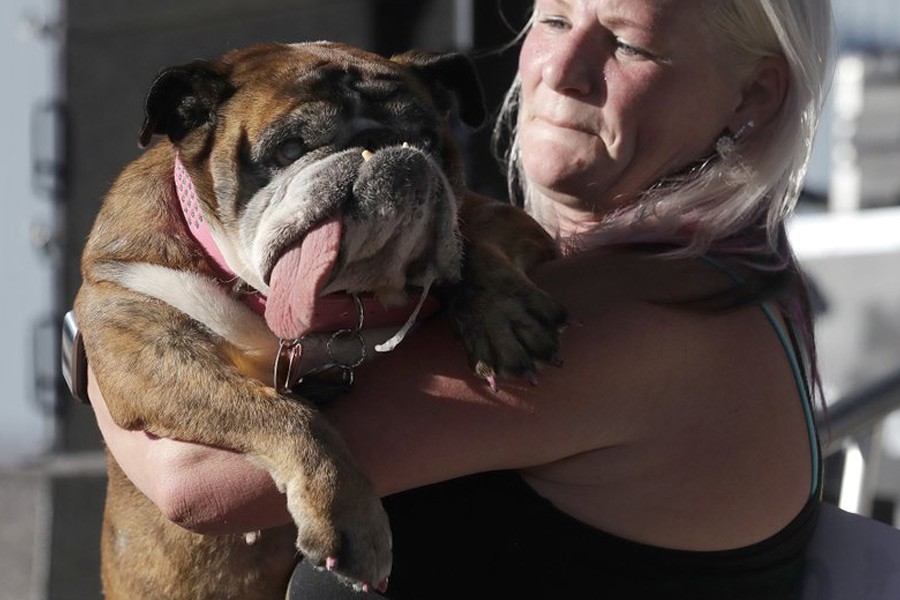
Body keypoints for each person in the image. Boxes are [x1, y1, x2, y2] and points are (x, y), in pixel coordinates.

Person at [85, 0, 834, 597]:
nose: (563, 69)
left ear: (755, 94)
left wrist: (99, 332)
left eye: (631, 45)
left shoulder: (628, 324)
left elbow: (199, 485)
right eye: (553, 20)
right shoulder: (693, 278)